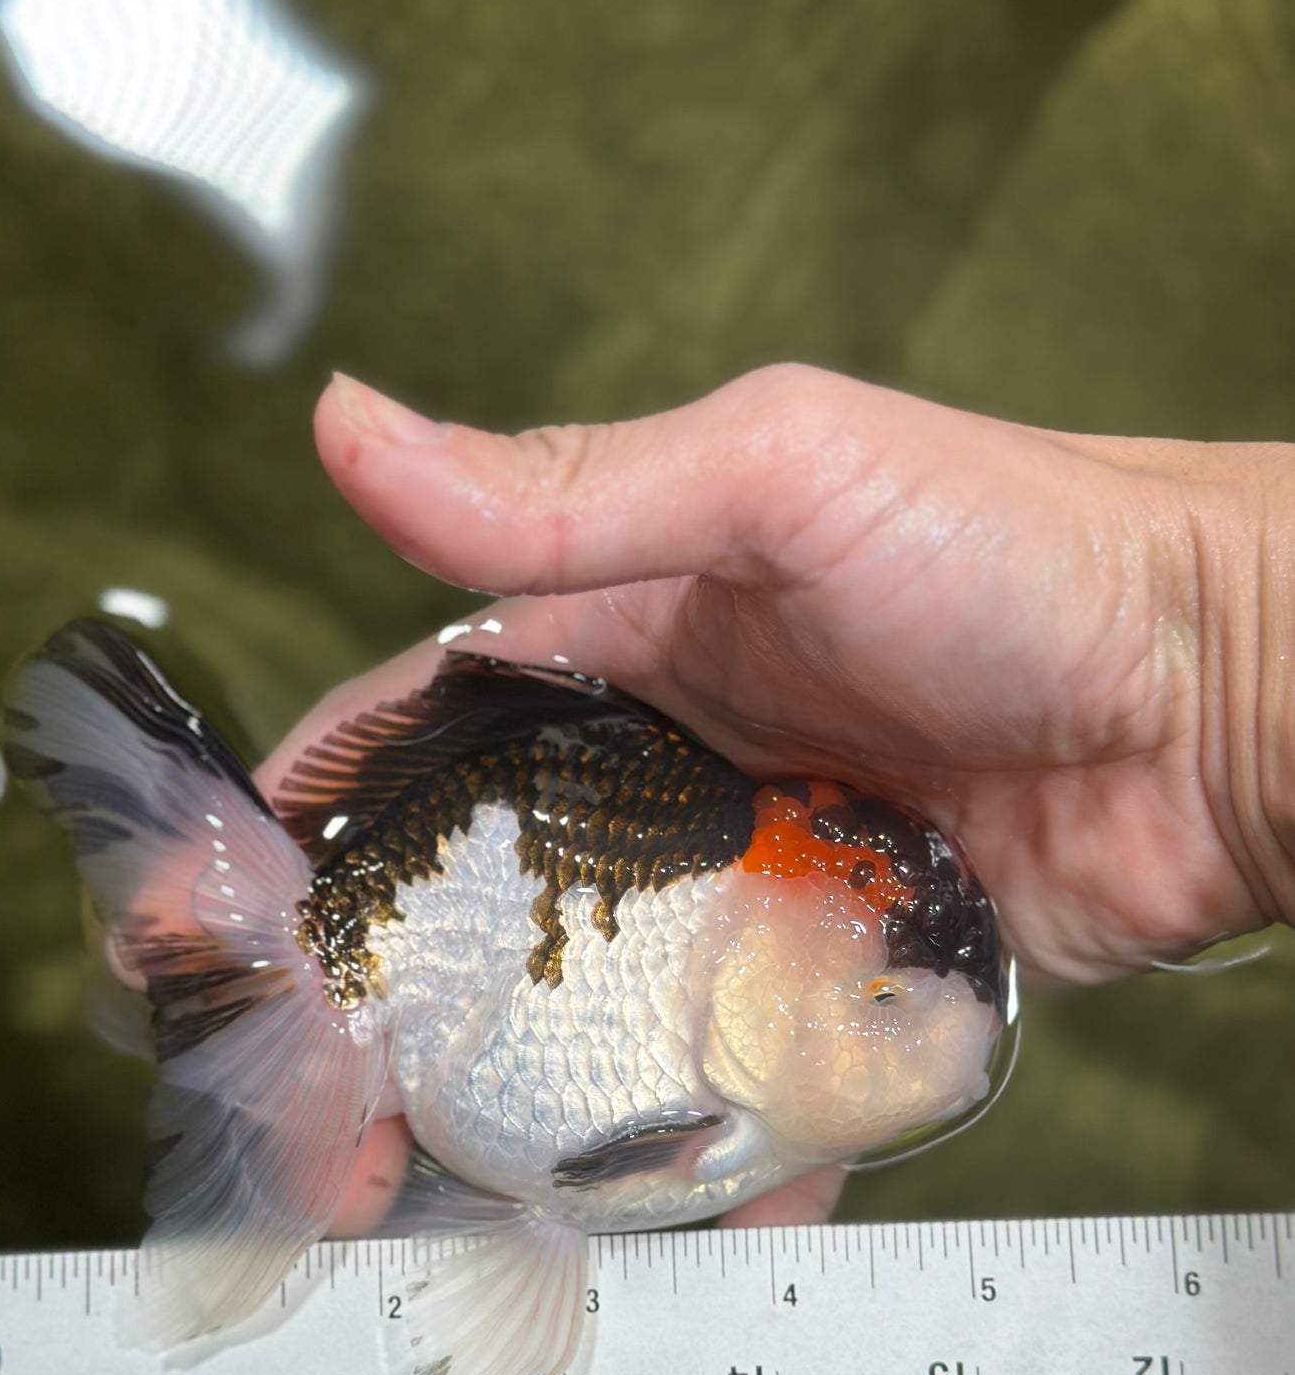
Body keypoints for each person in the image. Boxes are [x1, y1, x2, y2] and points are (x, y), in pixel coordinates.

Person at [258, 363, 1295, 1229]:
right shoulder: (712, 1083)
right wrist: (1214, 656)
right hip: (417, 906)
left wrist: (1219, 652)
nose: (939, 1045)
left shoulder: (734, 1084)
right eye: (878, 1002)